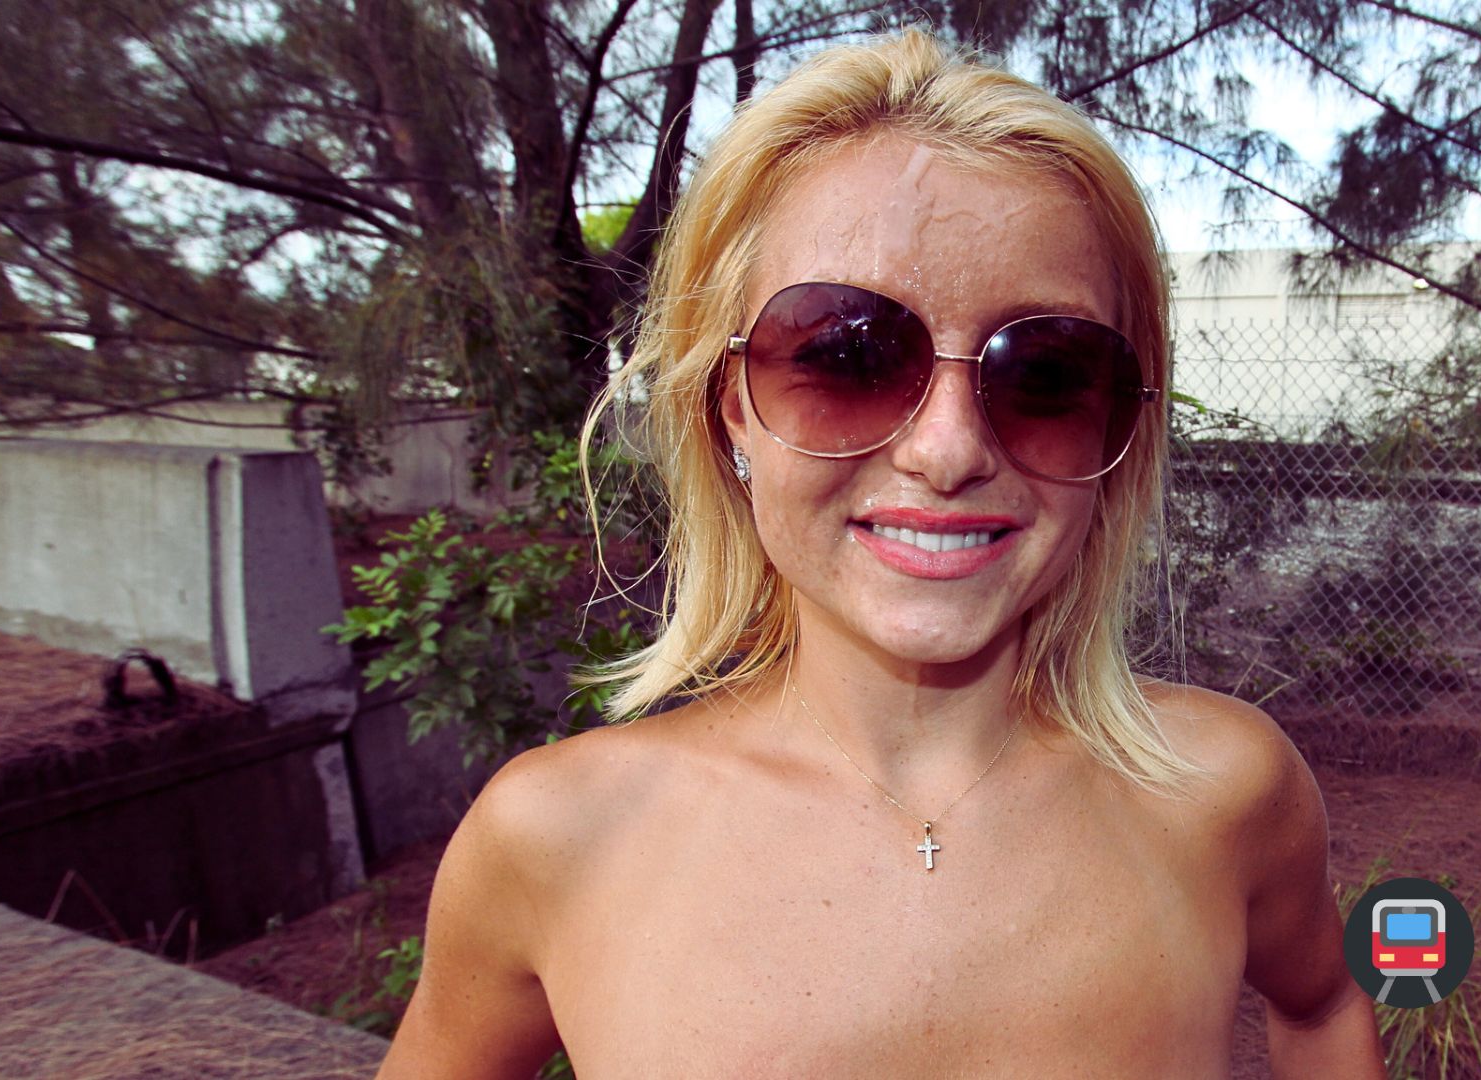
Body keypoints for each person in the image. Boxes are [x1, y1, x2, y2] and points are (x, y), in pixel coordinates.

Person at [377, 29, 1381, 1079]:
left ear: (1119, 422)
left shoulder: (1229, 791)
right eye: (846, 355)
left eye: (1046, 373)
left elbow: (1322, 1004)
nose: (948, 450)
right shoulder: (555, 839)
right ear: (731, 407)